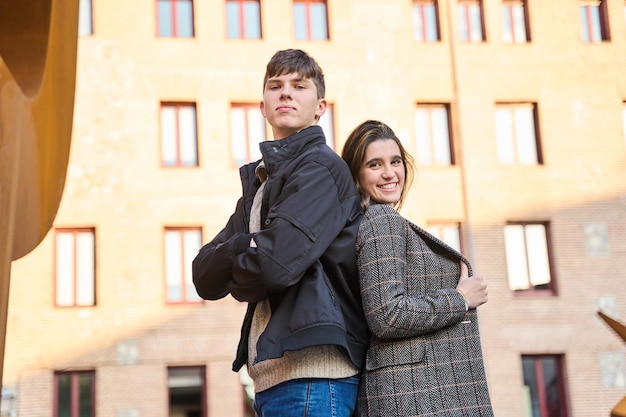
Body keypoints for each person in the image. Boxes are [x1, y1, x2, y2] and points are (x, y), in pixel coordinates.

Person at [192, 49, 369, 417]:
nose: (285, 93)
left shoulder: (321, 169)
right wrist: (248, 245)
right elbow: (204, 277)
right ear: (262, 105)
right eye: (276, 86)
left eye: (298, 86)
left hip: (314, 375)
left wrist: (243, 260)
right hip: (273, 377)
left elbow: (274, 265)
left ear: (320, 107)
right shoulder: (260, 182)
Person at [341, 120, 494, 417]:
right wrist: (460, 298)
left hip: (418, 392)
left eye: (395, 161)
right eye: (375, 164)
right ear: (357, 175)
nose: (389, 173)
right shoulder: (381, 219)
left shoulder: (374, 220)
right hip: (412, 396)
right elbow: (387, 314)